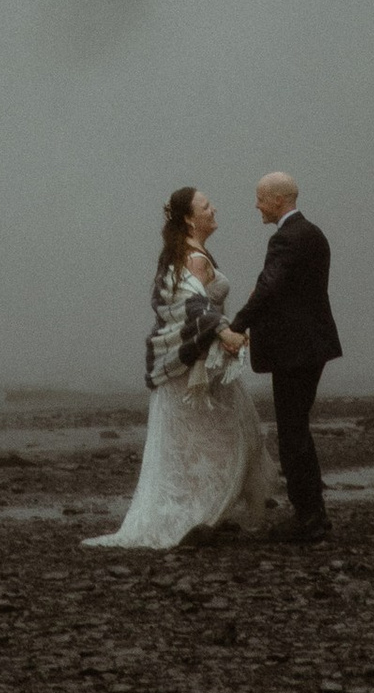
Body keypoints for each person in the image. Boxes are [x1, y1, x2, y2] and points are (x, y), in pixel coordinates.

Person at [84, 185, 281, 550]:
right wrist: (224, 330)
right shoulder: (193, 260)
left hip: (198, 366)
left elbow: (195, 305)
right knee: (223, 439)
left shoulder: (191, 254)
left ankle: (206, 513)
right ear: (190, 218)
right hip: (194, 370)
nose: (213, 209)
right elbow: (194, 308)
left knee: (217, 439)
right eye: (206, 206)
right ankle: (199, 515)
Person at [220, 170, 341, 541]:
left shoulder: (286, 240)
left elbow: (270, 287)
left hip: (296, 351)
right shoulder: (314, 234)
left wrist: (238, 325)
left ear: (278, 200)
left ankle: (308, 518)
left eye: (259, 198)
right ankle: (313, 513)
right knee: (297, 429)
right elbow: (292, 295)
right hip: (310, 346)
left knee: (292, 434)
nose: (256, 205)